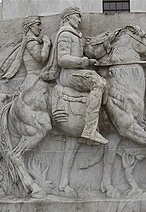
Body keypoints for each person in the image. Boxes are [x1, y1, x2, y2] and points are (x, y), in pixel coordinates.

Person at [41, 6, 114, 145]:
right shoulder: (65, 35)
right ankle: (90, 130)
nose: (80, 20)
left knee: (102, 82)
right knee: (98, 83)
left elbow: (92, 54)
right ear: (68, 18)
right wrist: (84, 62)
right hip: (68, 74)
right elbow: (62, 59)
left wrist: (105, 45)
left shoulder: (78, 36)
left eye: (80, 17)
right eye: (77, 16)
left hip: (77, 72)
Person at [0, 16, 51, 90]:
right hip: (35, 81)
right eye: (38, 24)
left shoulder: (30, 41)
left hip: (35, 80)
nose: (40, 28)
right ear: (30, 26)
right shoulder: (31, 42)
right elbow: (41, 59)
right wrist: (47, 44)